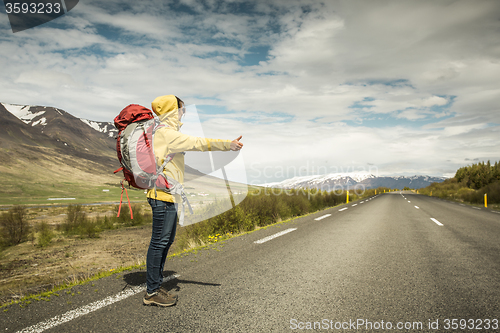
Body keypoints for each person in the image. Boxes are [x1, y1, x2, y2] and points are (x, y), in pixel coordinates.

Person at [143, 94, 243, 307]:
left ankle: (156, 285)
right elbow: (198, 143)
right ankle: (152, 292)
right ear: (172, 110)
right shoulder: (166, 134)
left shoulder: (165, 133)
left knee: (165, 242)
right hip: (162, 197)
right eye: (181, 109)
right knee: (159, 243)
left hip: (169, 195)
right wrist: (228, 145)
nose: (183, 114)